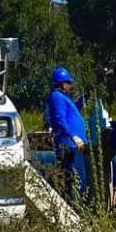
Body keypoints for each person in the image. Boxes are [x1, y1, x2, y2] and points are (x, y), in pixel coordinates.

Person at [45, 67, 91, 204]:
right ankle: (75, 209)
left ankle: (77, 207)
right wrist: (73, 136)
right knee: (76, 180)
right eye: (68, 83)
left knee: (78, 179)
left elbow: (74, 110)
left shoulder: (62, 98)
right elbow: (60, 120)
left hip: (73, 144)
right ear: (62, 83)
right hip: (69, 145)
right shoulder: (57, 97)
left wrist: (85, 97)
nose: (70, 86)